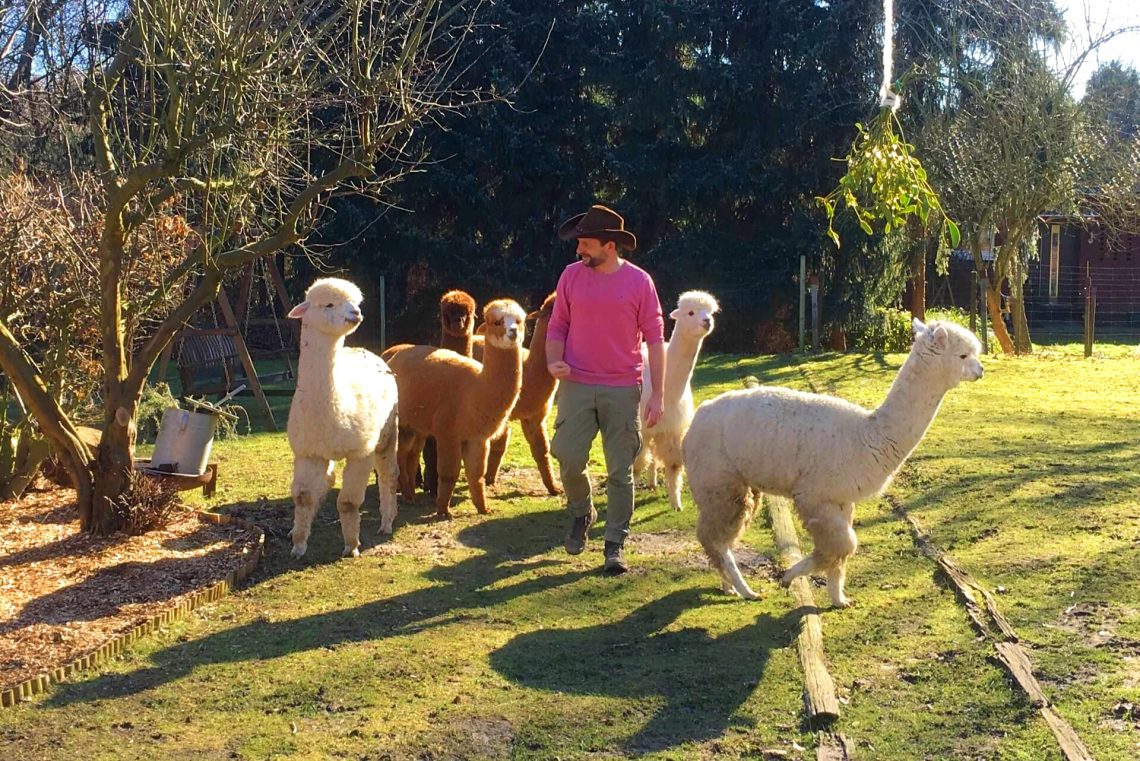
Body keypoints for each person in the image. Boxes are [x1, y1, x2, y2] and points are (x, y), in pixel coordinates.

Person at [546, 204, 665, 574]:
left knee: (620, 470)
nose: (579, 249)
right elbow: (557, 326)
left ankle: (614, 543)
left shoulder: (639, 282)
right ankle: (582, 512)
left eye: (586, 243)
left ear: (609, 245)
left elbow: (656, 339)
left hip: (622, 386)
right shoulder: (570, 276)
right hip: (577, 384)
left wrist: (658, 393)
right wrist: (553, 361)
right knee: (567, 456)